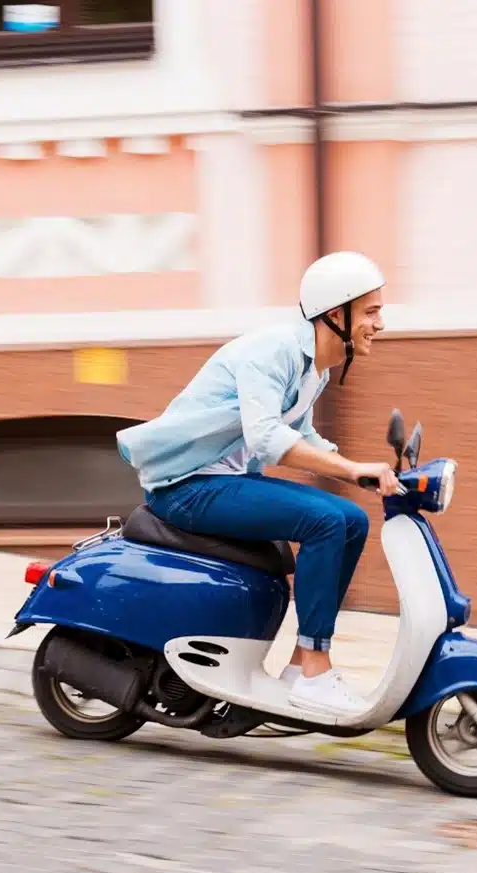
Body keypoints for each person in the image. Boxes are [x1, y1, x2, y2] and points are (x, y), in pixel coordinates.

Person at [115, 251, 401, 714]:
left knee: (350, 519)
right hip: (184, 487)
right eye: (371, 311)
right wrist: (350, 470)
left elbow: (300, 435)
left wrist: (359, 469)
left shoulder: (314, 369)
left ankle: (300, 665)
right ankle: (316, 670)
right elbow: (267, 439)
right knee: (326, 521)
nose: (380, 323)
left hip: (220, 481)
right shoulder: (274, 351)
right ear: (336, 313)